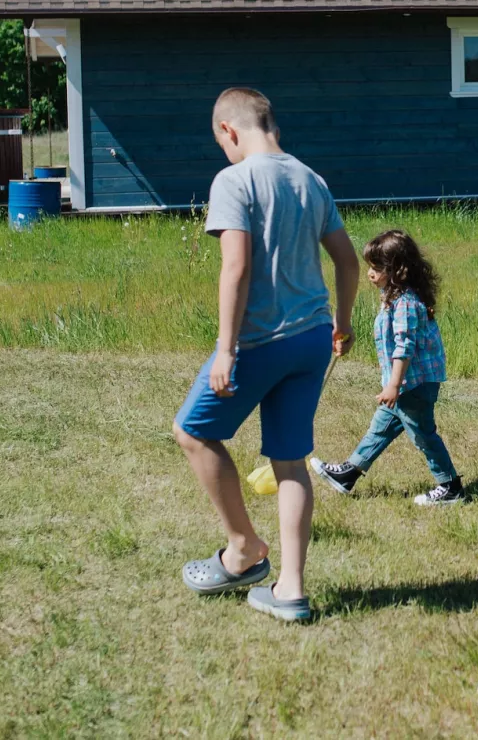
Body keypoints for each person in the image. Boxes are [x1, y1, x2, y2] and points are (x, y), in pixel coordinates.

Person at [173, 87, 359, 623]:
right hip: (312, 338)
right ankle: (290, 591)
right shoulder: (311, 179)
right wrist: (343, 323)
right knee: (290, 461)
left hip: (260, 341)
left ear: (229, 131)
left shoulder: (233, 181)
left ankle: (244, 550)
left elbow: (236, 267)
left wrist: (225, 349)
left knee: (193, 432)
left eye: (222, 144)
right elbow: (347, 262)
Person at [311, 229, 467, 506]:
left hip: (414, 383)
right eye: (370, 266)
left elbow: (404, 347)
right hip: (406, 382)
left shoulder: (406, 304)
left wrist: (394, 385)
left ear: (398, 270)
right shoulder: (393, 298)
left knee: (423, 435)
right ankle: (349, 473)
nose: (370, 273)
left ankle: (450, 486)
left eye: (377, 268)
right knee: (380, 428)